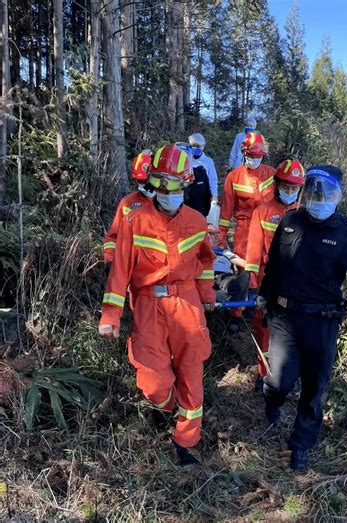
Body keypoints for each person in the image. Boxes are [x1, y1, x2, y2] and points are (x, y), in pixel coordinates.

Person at [258, 165, 347, 472]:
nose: (319, 199)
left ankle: (301, 446)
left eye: (326, 194)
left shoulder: (345, 233)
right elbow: (274, 265)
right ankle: (272, 400)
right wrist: (264, 294)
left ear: (337, 196)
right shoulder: (291, 221)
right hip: (285, 316)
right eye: (314, 193)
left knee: (313, 387)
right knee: (280, 381)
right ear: (306, 193)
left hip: (322, 322)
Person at [98, 144, 216, 466]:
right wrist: (111, 314)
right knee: (152, 380)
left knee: (192, 370)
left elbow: (206, 261)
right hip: (148, 304)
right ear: (151, 180)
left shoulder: (196, 221)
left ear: (185, 185)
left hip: (187, 302)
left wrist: (206, 296)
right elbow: (119, 271)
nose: (166, 190)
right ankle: (170, 406)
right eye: (160, 182)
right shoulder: (135, 220)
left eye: (174, 184)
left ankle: (185, 440)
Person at [244, 159, 305, 389]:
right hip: (267, 281)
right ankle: (264, 374)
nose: (289, 192)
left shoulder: (304, 215)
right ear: (277, 184)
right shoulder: (262, 212)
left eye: (294, 188)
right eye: (285, 186)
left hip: (296, 285)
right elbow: (253, 253)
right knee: (265, 331)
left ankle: (288, 373)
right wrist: (252, 286)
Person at [218, 131, 275, 331]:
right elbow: (225, 211)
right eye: (251, 156)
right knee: (245, 269)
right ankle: (236, 314)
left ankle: (257, 309)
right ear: (244, 154)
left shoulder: (271, 174)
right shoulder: (234, 177)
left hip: (267, 229)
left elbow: (281, 204)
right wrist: (222, 236)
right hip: (243, 229)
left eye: (257, 157)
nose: (254, 160)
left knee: (264, 269)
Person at [103, 150, 155, 266]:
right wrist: (109, 260)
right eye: (138, 181)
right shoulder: (127, 203)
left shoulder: (167, 205)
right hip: (130, 269)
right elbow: (113, 236)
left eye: (144, 181)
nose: (142, 185)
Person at [176, 142, 212, 218]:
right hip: (177, 218)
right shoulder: (167, 177)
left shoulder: (201, 174)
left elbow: (207, 196)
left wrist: (203, 215)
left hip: (196, 218)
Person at [188, 133, 219, 203]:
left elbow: (213, 180)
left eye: (197, 146)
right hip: (188, 195)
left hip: (202, 195)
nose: (195, 148)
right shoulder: (186, 159)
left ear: (202, 147)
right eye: (193, 145)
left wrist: (214, 196)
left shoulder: (208, 162)